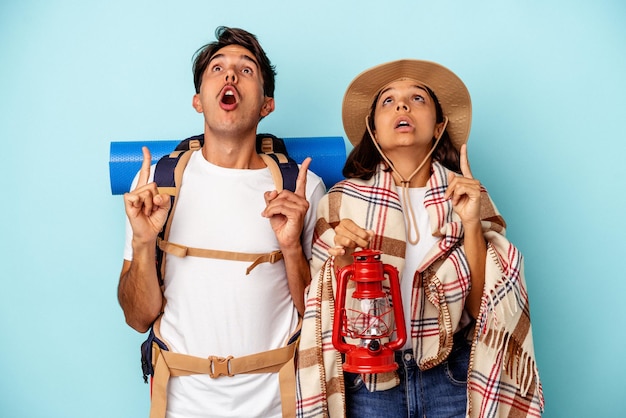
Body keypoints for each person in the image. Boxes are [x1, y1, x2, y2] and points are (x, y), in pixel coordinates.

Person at [296, 60, 544, 417]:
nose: (402, 106)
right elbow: (323, 312)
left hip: (450, 376)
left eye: (417, 98)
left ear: (439, 126)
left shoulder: (468, 196)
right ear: (374, 130)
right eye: (388, 101)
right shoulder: (340, 201)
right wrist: (345, 260)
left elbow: (483, 312)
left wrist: (471, 224)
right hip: (372, 382)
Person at [118, 26, 325, 418]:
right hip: (181, 403)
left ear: (267, 105)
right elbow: (136, 317)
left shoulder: (302, 190)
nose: (230, 76)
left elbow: (320, 317)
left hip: (280, 400)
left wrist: (291, 248)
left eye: (246, 70)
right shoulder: (154, 186)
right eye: (217, 68)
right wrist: (145, 243)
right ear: (198, 101)